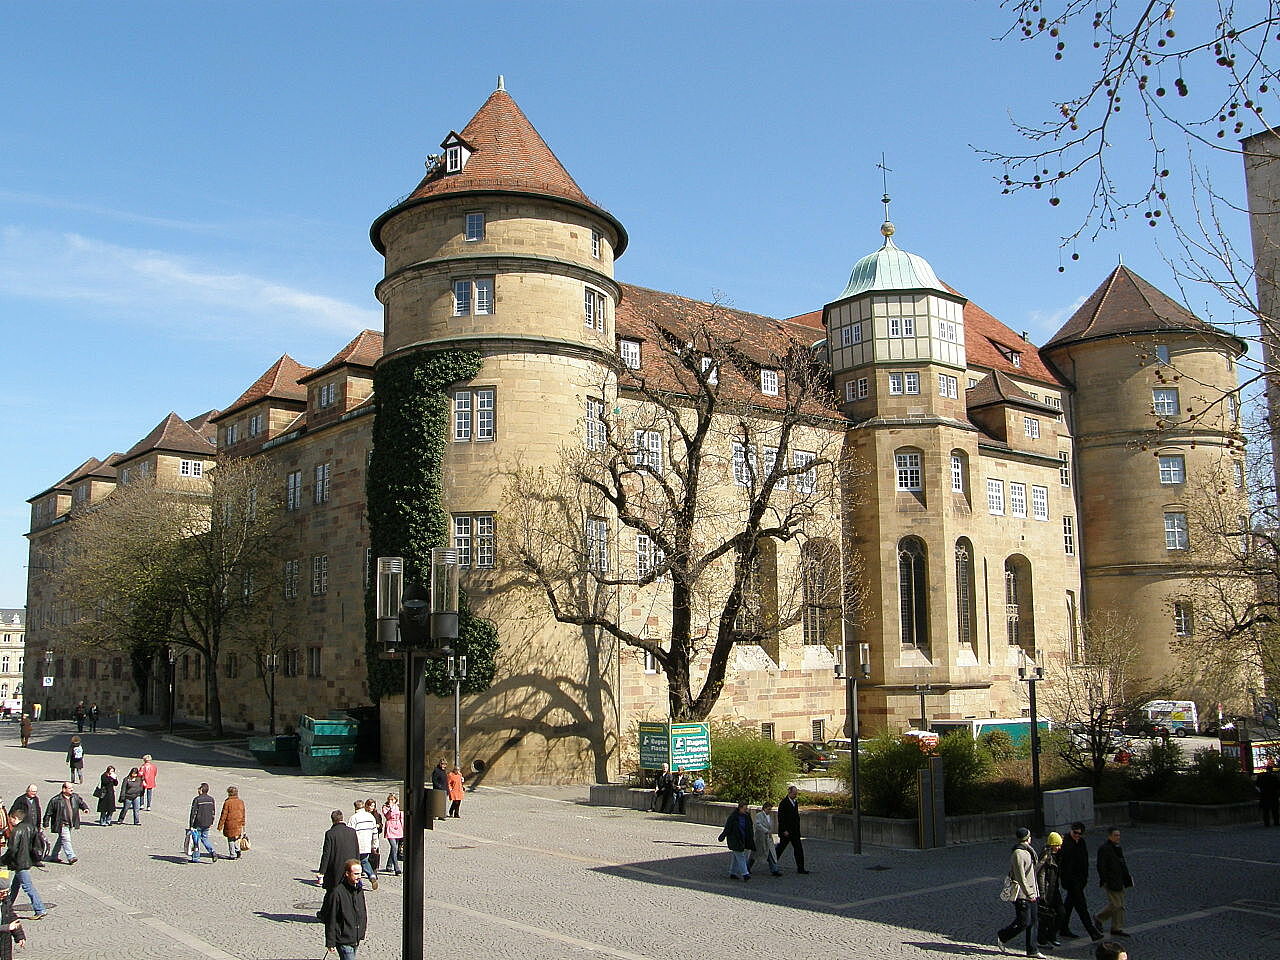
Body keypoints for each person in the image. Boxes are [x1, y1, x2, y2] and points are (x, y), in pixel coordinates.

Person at [996, 826, 1042, 958]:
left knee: (1033, 921)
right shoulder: (1018, 853)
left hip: (1033, 891)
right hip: (1022, 894)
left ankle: (1032, 950)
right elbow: (1020, 876)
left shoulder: (1028, 851)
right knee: (1024, 922)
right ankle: (1003, 935)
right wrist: (1029, 894)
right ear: (1028, 838)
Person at [1059, 822, 1104, 941]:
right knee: (1081, 906)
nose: (1077, 835)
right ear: (1071, 830)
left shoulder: (1081, 843)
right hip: (1070, 881)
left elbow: (1085, 861)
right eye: (1075, 833)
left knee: (1069, 905)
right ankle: (1092, 931)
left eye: (1080, 834)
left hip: (1080, 880)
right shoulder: (1065, 843)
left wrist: (1085, 878)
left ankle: (1062, 928)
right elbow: (1062, 863)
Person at [3, 808, 47, 919]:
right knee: (15, 886)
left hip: (19, 862)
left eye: (11, 819)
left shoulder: (16, 831)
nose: (10, 821)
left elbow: (12, 849)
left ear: (15, 818)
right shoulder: (30, 827)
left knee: (27, 886)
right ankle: (7, 908)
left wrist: (3, 860)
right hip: (27, 860)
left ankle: (40, 909)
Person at [320, 858, 368, 959]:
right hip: (343, 939)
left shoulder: (359, 890)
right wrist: (330, 942)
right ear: (347, 873)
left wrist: (361, 931)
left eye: (360, 873)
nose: (359, 877)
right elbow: (331, 918)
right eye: (355, 874)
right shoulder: (337, 893)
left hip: (355, 936)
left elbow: (362, 911)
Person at [1095, 827, 1133, 938]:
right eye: (1116, 835)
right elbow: (1101, 866)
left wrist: (1127, 878)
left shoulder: (1118, 848)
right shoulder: (1104, 848)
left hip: (1119, 880)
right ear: (1110, 836)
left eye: (1119, 835)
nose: (1118, 837)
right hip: (1111, 880)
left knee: (1120, 906)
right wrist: (1104, 879)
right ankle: (1099, 917)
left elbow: (1122, 864)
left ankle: (1116, 927)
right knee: (1116, 905)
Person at [43, 781, 88, 865]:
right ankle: (71, 856)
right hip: (62, 824)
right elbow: (49, 812)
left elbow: (81, 803)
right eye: (69, 788)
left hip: (71, 823)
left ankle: (54, 856)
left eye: (72, 788)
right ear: (64, 789)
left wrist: (85, 808)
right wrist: (46, 823)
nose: (72, 789)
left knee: (61, 840)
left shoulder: (75, 796)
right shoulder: (55, 800)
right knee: (66, 840)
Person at [316, 810, 359, 893]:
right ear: (342, 818)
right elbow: (357, 849)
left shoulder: (330, 833)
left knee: (336, 892)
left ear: (332, 820)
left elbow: (326, 853)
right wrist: (358, 865)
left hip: (336, 868)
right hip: (351, 866)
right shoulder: (352, 831)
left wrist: (322, 871)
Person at [1036, 832, 1066, 948]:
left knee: (1061, 913)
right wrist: (1042, 895)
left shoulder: (1056, 855)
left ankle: (1050, 935)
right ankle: (1043, 939)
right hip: (1047, 891)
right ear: (1052, 844)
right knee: (1045, 917)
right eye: (1057, 845)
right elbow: (1040, 876)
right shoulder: (1046, 856)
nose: (1059, 848)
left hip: (1054, 889)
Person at [717, 801, 755, 880]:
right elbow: (728, 828)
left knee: (736, 856)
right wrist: (722, 836)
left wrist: (751, 837)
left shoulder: (747, 816)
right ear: (740, 808)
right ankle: (745, 874)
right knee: (740, 856)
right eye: (744, 808)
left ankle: (733, 872)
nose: (746, 810)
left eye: (746, 808)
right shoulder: (733, 817)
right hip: (735, 839)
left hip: (744, 839)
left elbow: (750, 827)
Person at [775, 785, 808, 873]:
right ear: (789, 793)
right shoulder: (783, 803)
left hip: (795, 831)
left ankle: (801, 868)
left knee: (798, 849)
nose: (795, 795)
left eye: (796, 794)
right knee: (780, 848)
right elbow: (781, 818)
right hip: (787, 831)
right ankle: (772, 862)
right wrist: (784, 830)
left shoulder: (795, 802)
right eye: (794, 794)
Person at [348, 800, 379, 889]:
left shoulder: (354, 818)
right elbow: (375, 832)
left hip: (356, 845)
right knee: (365, 861)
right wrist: (374, 845)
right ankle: (372, 875)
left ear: (355, 807)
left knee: (355, 864)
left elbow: (350, 832)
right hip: (367, 844)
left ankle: (358, 882)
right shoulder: (370, 817)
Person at [749, 801, 781, 876]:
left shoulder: (769, 816)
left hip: (768, 839)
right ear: (764, 808)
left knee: (771, 854)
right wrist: (766, 831)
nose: (769, 811)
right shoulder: (759, 815)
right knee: (754, 854)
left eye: (770, 809)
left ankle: (774, 869)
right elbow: (757, 825)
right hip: (760, 839)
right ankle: (747, 867)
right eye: (768, 809)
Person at [188, 783, 218, 863]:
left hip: (198, 823)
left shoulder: (197, 799)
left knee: (196, 840)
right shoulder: (211, 799)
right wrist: (211, 821)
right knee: (205, 838)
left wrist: (191, 825)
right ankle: (212, 851)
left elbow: (193, 813)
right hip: (207, 823)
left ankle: (196, 857)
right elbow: (213, 812)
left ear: (201, 790)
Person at [0, 875, 28, 959]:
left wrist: (19, 936)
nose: (4, 895)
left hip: (4, 943)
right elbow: (10, 925)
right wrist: (7, 927)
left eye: (7, 892)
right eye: (2, 892)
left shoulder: (5, 901)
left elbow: (12, 917)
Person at [216, 786, 246, 860]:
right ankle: (238, 850)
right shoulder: (241, 802)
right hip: (238, 823)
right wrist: (243, 822)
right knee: (236, 838)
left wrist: (220, 825)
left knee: (230, 839)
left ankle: (232, 854)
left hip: (230, 823)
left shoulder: (227, 802)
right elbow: (243, 813)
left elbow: (224, 814)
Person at [381, 794, 403, 877]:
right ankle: (397, 868)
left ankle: (389, 865)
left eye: (392, 799)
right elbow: (387, 816)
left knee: (394, 847)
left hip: (398, 826)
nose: (391, 801)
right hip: (390, 826)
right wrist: (391, 808)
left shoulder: (399, 806)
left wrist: (403, 829)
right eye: (390, 799)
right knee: (394, 847)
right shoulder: (385, 807)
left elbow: (401, 817)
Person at [364, 799, 382, 874]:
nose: (372, 807)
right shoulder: (364, 815)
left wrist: (379, 826)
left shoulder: (377, 815)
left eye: (373, 806)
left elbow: (381, 825)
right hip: (366, 836)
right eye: (371, 806)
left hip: (374, 836)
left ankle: (374, 870)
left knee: (375, 853)